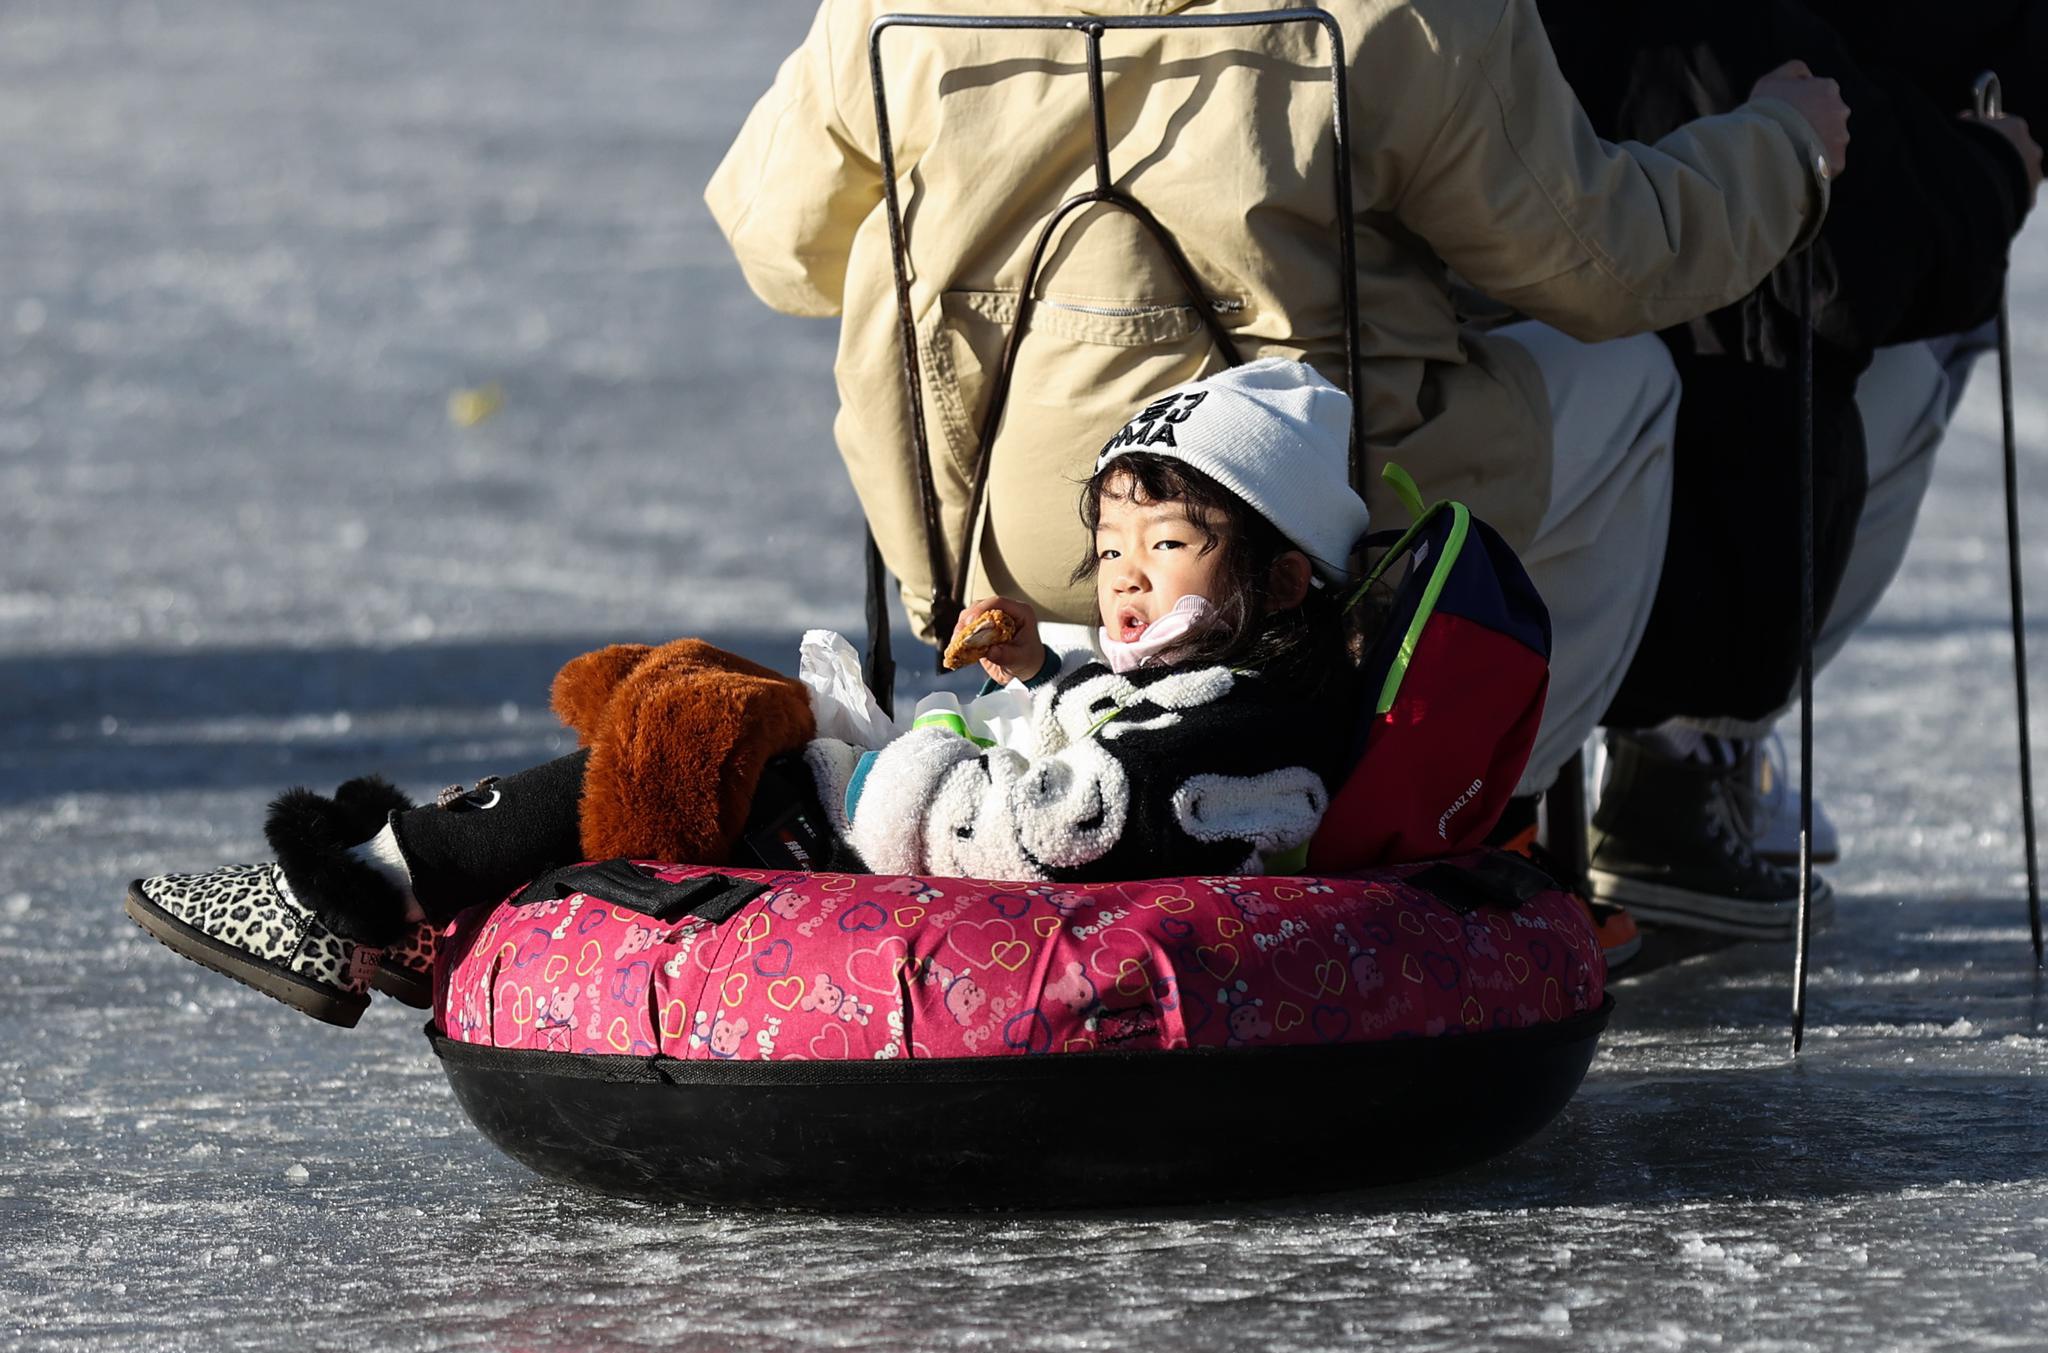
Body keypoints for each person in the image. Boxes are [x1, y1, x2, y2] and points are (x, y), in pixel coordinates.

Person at [707, 0, 1852, 958]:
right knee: (1626, 373)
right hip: (1290, 555)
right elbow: (1610, 264)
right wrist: (1781, 146)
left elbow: (778, 248)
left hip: (993, 555)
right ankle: (1448, 813)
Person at [125, 360, 1377, 1027]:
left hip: (874, 831)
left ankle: (361, 891)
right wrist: (1032, 675)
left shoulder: (1251, 734)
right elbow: (1098, 728)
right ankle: (396, 895)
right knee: (674, 679)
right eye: (1111, 550)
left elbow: (1076, 822)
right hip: (884, 800)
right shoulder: (1189, 676)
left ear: (1276, 579)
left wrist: (911, 757)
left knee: (693, 730)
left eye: (1165, 548)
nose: (1122, 580)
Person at [1529, 0, 2044, 936]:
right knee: (1624, 371)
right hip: (1527, 489)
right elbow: (1853, 247)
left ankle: (1641, 773)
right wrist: (1991, 168)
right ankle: (1659, 761)